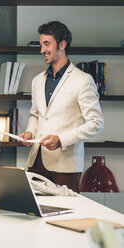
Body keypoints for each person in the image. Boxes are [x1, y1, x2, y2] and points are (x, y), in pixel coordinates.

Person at [18, 21, 104, 193]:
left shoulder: (83, 80)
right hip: (36, 162)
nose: (42, 50)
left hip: (65, 167)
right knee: (30, 214)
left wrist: (61, 140)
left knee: (67, 216)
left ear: (62, 44)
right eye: (41, 44)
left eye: (47, 44)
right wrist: (29, 133)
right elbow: (35, 116)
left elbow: (96, 123)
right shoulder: (37, 81)